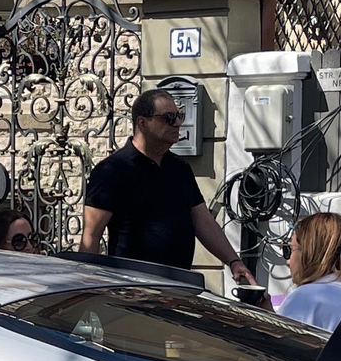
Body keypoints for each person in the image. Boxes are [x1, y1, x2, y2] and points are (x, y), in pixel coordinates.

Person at [79, 85, 256, 289]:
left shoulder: (180, 168)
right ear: (142, 123)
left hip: (177, 287)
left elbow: (203, 221)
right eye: (169, 117)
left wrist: (234, 262)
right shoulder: (111, 170)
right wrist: (86, 288)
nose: (178, 123)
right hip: (132, 290)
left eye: (179, 115)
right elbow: (91, 235)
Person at [274, 211, 341, 332]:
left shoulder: (305, 297)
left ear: (308, 253)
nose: (288, 261)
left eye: (292, 250)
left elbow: (279, 346)